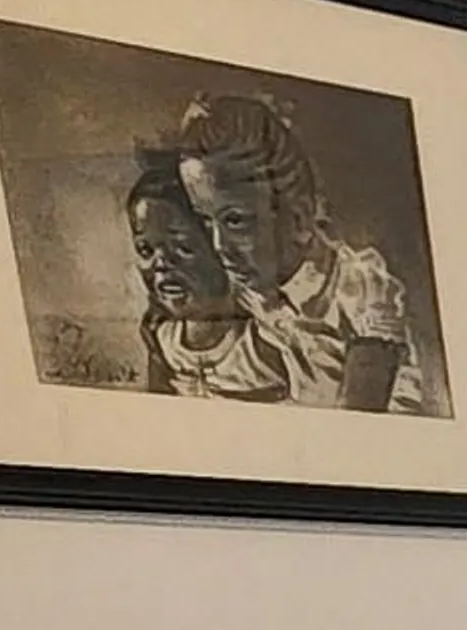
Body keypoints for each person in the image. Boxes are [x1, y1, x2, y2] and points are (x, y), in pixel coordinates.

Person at [172, 92, 428, 413]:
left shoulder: (360, 288)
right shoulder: (252, 291)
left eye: (236, 221)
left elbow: (359, 422)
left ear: (299, 218)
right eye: (205, 221)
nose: (219, 246)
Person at [127, 152, 278, 402]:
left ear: (220, 247)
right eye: (146, 250)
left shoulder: (261, 339)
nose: (161, 264)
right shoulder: (162, 337)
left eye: (183, 247)